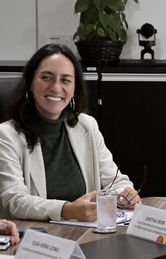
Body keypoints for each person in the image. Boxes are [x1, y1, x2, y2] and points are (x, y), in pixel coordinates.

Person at [0, 44, 140, 222]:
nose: (56, 88)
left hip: (86, 234)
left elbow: (115, 181)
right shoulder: (6, 136)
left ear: (74, 90)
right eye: (46, 78)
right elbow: (14, 201)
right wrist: (67, 210)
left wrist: (125, 195)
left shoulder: (86, 126)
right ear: (30, 83)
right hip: (35, 239)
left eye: (66, 80)